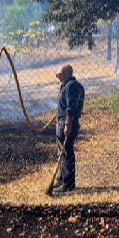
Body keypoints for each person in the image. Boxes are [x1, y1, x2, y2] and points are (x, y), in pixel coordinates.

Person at [52, 64, 84, 193]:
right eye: (58, 75)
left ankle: (68, 183)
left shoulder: (71, 86)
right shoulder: (67, 86)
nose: (58, 77)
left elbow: (71, 107)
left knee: (66, 153)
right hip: (63, 122)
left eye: (60, 74)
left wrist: (67, 125)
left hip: (66, 123)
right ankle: (61, 178)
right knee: (62, 152)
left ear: (68, 73)